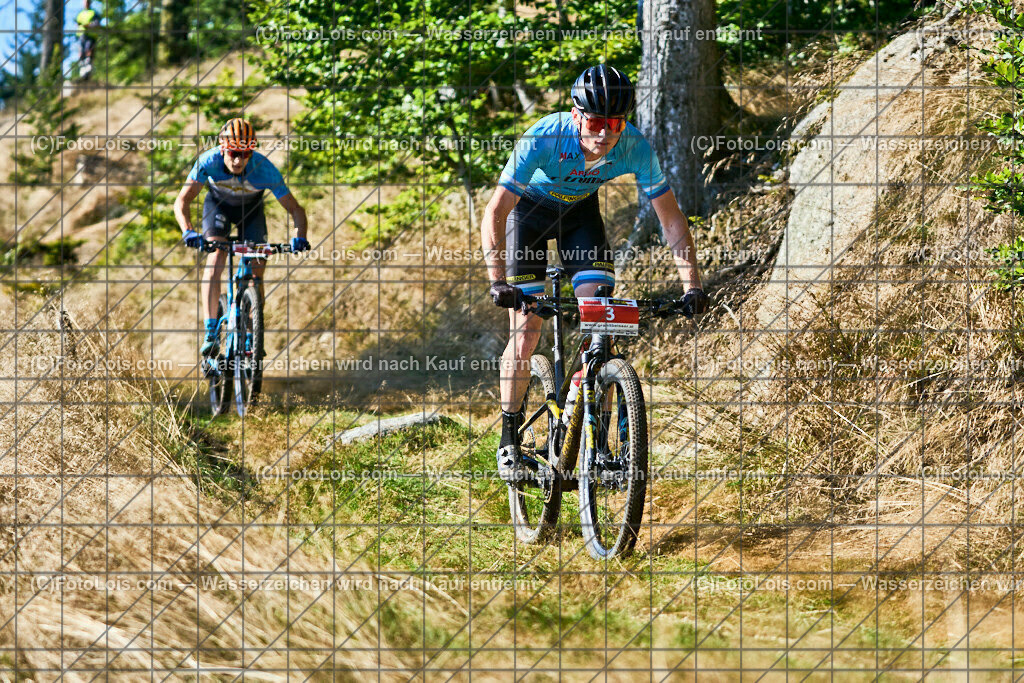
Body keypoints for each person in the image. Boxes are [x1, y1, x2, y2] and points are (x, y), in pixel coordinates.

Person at [481, 64, 710, 482]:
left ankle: (597, 445)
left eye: (615, 123)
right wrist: (498, 279)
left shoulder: (635, 147)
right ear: (576, 115)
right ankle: (510, 438)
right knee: (526, 328)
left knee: (601, 319)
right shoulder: (545, 137)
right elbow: (496, 211)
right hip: (527, 215)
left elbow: (673, 221)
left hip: (579, 217)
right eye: (596, 121)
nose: (605, 134)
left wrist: (691, 285)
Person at [173, 118, 310, 358]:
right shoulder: (208, 161)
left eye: (245, 154)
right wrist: (188, 231)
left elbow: (296, 209)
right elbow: (182, 201)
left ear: (251, 152)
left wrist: (300, 236)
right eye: (233, 153)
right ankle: (211, 331)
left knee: (257, 271)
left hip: (251, 213)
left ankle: (252, 334)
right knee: (217, 256)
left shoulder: (264, 168)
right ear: (223, 149)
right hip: (218, 208)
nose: (238, 160)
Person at [75, 0, 101, 81]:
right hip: (81, 36)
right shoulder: (80, 14)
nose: (86, 3)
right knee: (81, 53)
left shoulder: (94, 13)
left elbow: (97, 24)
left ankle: (88, 70)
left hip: (91, 36)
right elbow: (77, 24)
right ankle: (82, 71)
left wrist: (89, 26)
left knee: (89, 51)